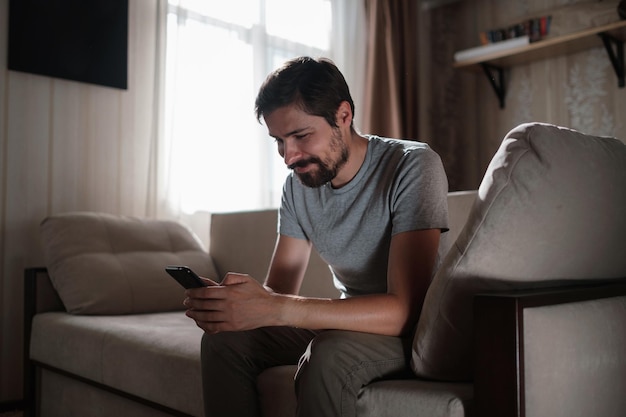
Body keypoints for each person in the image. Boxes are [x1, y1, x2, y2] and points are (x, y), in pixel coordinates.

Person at [184, 56, 449, 417]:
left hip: (413, 333)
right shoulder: (298, 188)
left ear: (343, 115)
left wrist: (274, 306)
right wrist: (236, 306)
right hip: (348, 325)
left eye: (301, 135)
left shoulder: (412, 166)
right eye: (278, 140)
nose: (289, 156)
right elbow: (278, 293)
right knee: (225, 341)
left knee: (328, 353)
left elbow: (405, 310)